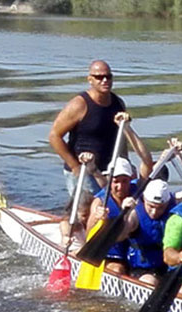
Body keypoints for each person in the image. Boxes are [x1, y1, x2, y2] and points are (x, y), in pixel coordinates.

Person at [48, 60, 125, 215]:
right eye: (99, 77)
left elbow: (121, 137)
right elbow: (54, 136)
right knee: (86, 212)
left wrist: (125, 163)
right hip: (83, 170)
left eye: (108, 77)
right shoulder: (79, 105)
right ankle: (72, 233)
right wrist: (75, 166)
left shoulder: (118, 103)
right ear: (90, 79)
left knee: (108, 210)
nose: (105, 80)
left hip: (106, 171)